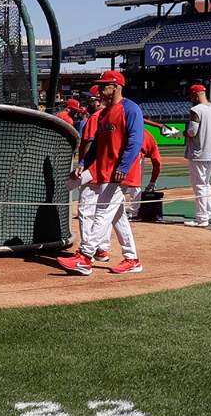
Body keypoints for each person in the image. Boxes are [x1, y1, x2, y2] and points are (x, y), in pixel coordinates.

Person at [63, 71, 144, 275]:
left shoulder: (131, 109)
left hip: (121, 173)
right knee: (117, 217)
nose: (99, 90)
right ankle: (132, 259)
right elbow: (98, 144)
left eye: (103, 86)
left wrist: (123, 167)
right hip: (107, 170)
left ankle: (85, 256)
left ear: (115, 87)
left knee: (102, 212)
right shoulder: (105, 113)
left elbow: (135, 142)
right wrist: (84, 163)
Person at [183, 83, 211, 226]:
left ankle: (201, 218)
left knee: (199, 186)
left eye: (191, 97)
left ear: (196, 95)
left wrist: (178, 133)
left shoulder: (195, 109)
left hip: (198, 152)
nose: (190, 100)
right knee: (206, 184)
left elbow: (192, 132)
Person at [126, 123, 163, 221]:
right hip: (136, 155)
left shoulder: (128, 129)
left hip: (121, 153)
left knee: (118, 184)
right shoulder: (148, 137)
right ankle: (133, 214)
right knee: (136, 185)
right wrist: (153, 181)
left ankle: (116, 211)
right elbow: (157, 163)